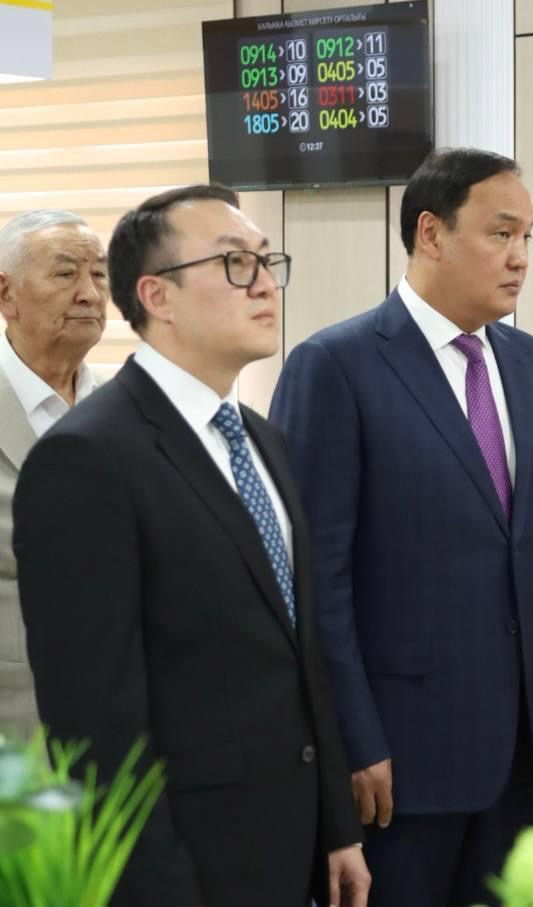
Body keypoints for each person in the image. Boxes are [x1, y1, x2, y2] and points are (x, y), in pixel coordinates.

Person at [269, 147, 533, 907]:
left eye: (528, 237)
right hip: (399, 758)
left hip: (523, 748)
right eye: (501, 233)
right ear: (431, 233)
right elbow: (313, 581)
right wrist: (350, 738)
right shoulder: (335, 365)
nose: (521, 257)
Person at [13, 185, 370, 907]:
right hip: (186, 861)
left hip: (292, 844)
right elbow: (96, 727)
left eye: (267, 261)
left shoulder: (262, 439)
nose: (264, 283)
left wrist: (337, 826)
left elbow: (300, 655)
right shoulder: (87, 456)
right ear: (157, 296)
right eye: (235, 263)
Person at [0, 209, 106, 736]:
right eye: (66, 274)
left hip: (120, 729)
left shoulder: (128, 410)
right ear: (6, 295)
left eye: (100, 274)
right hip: (14, 730)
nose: (90, 293)